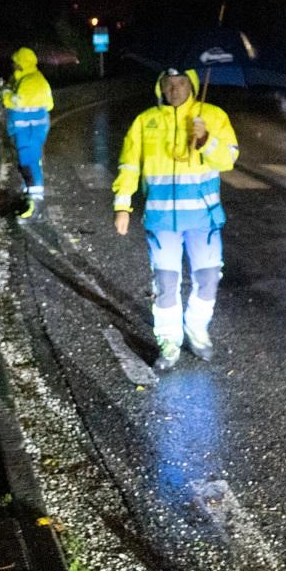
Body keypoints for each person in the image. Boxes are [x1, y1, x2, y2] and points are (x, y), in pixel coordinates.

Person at [112, 68, 240, 369]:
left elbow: (229, 159)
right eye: (168, 84)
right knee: (165, 282)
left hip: (203, 219)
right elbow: (129, 165)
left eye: (181, 83)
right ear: (160, 87)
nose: (175, 88)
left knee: (208, 279)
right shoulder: (145, 121)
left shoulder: (212, 115)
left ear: (192, 86)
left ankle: (196, 328)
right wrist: (122, 205)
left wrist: (206, 139)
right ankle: (168, 340)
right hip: (161, 219)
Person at [1, 47, 54, 222]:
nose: (13, 65)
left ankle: (35, 206)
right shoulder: (26, 79)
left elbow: (15, 102)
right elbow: (49, 105)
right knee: (27, 165)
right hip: (27, 131)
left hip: (29, 131)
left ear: (21, 63)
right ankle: (28, 199)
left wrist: (5, 92)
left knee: (30, 165)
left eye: (15, 62)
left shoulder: (31, 81)